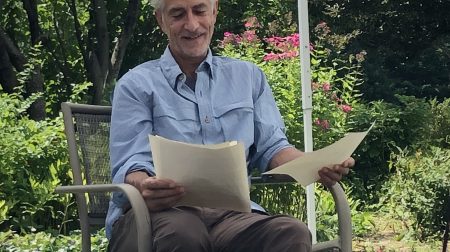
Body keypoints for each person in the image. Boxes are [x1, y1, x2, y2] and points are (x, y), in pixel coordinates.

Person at [106, 0, 355, 251]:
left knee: (289, 232)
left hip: (230, 218)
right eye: (178, 14)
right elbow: (130, 164)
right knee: (184, 233)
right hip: (155, 217)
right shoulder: (136, 85)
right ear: (161, 20)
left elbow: (273, 148)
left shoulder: (248, 77)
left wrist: (316, 164)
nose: (192, 25)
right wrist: (144, 184)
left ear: (214, 12)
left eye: (200, 11)